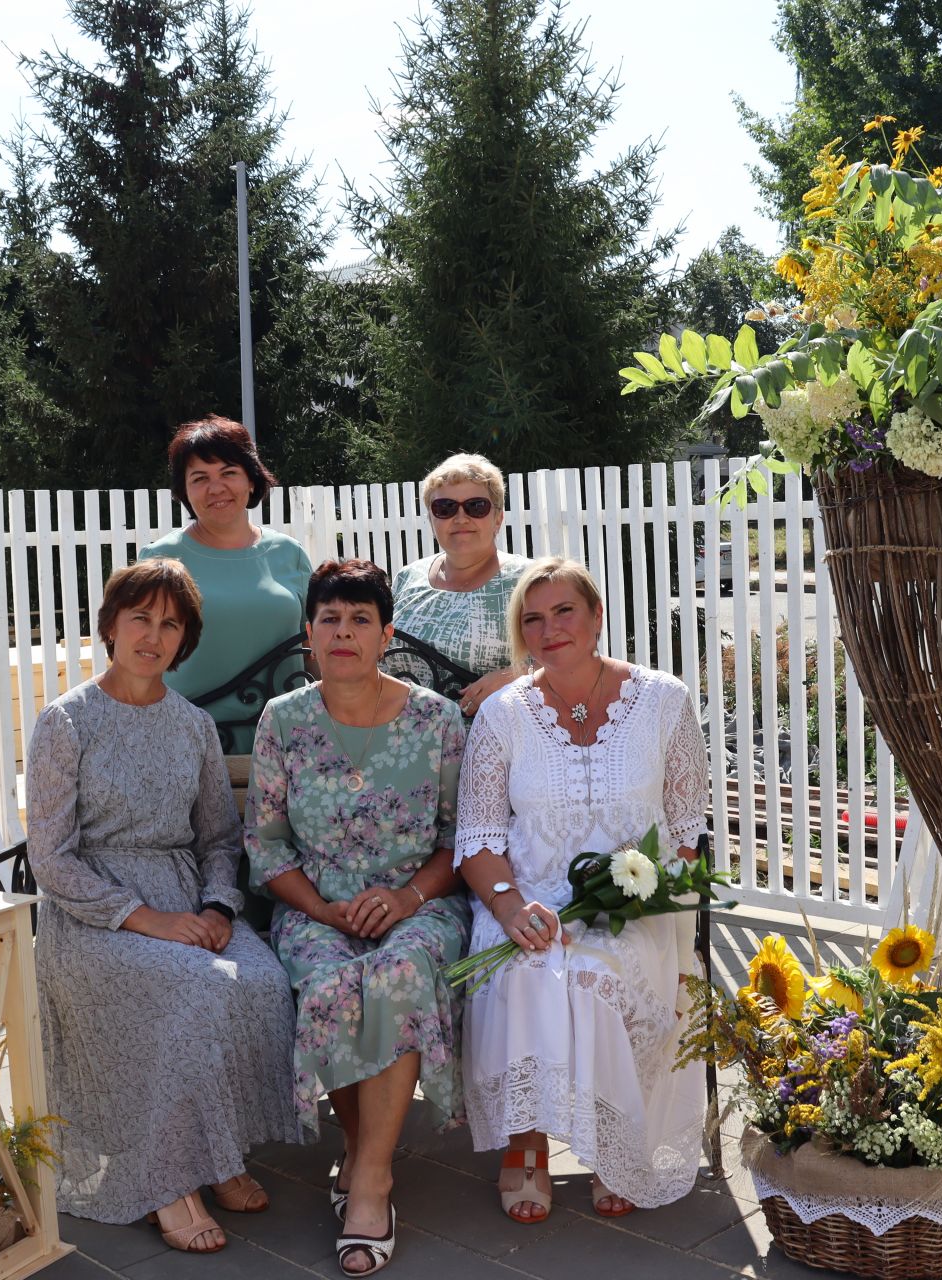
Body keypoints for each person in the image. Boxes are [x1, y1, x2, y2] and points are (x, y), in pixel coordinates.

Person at [28, 559, 299, 1254]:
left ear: (185, 640)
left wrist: (215, 907)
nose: (153, 634)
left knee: (262, 983)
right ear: (111, 625)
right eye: (140, 617)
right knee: (190, 989)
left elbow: (216, 836)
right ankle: (168, 1183)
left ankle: (220, 1155)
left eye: (170, 623)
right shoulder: (66, 721)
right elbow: (52, 858)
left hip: (188, 901)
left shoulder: (192, 727)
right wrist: (147, 920)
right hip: (94, 917)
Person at [455, 556, 708, 1220]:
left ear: (596, 616)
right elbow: (477, 836)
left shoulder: (664, 700)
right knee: (527, 972)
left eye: (564, 610)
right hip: (528, 890)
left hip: (641, 897)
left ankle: (616, 1145)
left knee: (600, 978)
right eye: (531, 619)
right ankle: (526, 1142)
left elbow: (686, 826)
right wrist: (511, 909)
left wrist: (642, 897)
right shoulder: (502, 715)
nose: (549, 628)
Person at [246, 559, 470, 1277]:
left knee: (399, 974)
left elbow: (458, 839)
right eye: (330, 620)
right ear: (309, 634)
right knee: (330, 983)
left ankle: (368, 1179)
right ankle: (365, 1152)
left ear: (386, 634)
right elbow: (266, 844)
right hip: (316, 904)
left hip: (420, 901)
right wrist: (322, 908)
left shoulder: (437, 718)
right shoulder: (283, 720)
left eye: (360, 620)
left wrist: (406, 900)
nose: (344, 632)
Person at [139, 416, 312, 753]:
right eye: (200, 478)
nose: (216, 488)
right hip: (189, 748)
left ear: (251, 479)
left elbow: (314, 652)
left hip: (289, 747)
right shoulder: (161, 558)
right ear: (184, 491)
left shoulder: (289, 554)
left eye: (228, 472)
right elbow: (139, 655)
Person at [390, 453, 528, 716]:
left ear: (498, 518)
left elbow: (573, 659)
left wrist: (516, 676)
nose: (461, 517)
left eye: (476, 507)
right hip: (405, 743)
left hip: (494, 744)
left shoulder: (528, 580)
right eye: (445, 508)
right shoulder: (408, 578)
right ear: (431, 520)